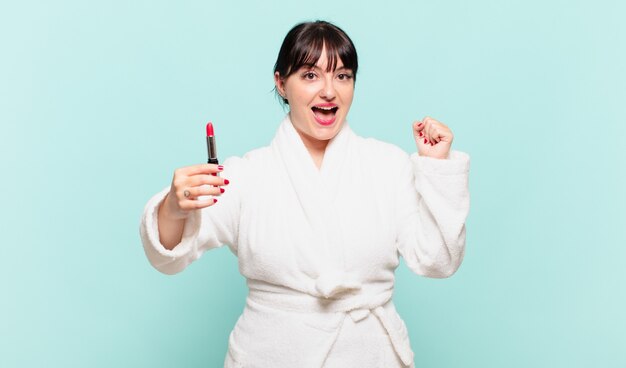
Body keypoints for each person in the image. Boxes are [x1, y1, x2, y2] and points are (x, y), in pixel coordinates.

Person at [140, 20, 470, 368]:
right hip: (272, 355)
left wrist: (436, 169)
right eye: (310, 75)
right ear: (281, 83)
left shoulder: (388, 165)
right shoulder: (246, 176)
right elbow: (168, 257)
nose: (329, 91)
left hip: (369, 353)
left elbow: (439, 260)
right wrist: (174, 209)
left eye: (342, 76)